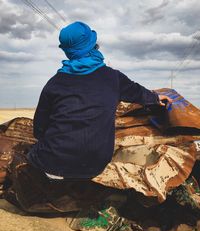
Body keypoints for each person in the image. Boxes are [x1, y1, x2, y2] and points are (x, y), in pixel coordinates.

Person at [27, 21, 172, 181]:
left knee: (31, 153)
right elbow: (137, 92)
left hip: (54, 165)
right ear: (92, 44)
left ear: (68, 51)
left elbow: (39, 128)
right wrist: (156, 98)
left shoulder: (54, 83)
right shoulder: (113, 78)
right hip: (94, 165)